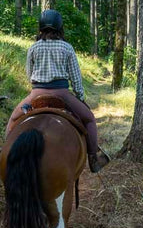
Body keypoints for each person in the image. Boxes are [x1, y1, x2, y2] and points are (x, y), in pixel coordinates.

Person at [6, 9, 108, 173]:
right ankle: (93, 159)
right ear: (60, 28)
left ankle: (5, 154)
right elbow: (75, 77)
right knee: (89, 119)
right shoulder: (67, 47)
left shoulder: (34, 48)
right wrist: (80, 97)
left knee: (13, 119)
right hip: (62, 93)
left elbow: (29, 73)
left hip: (36, 93)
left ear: (40, 28)